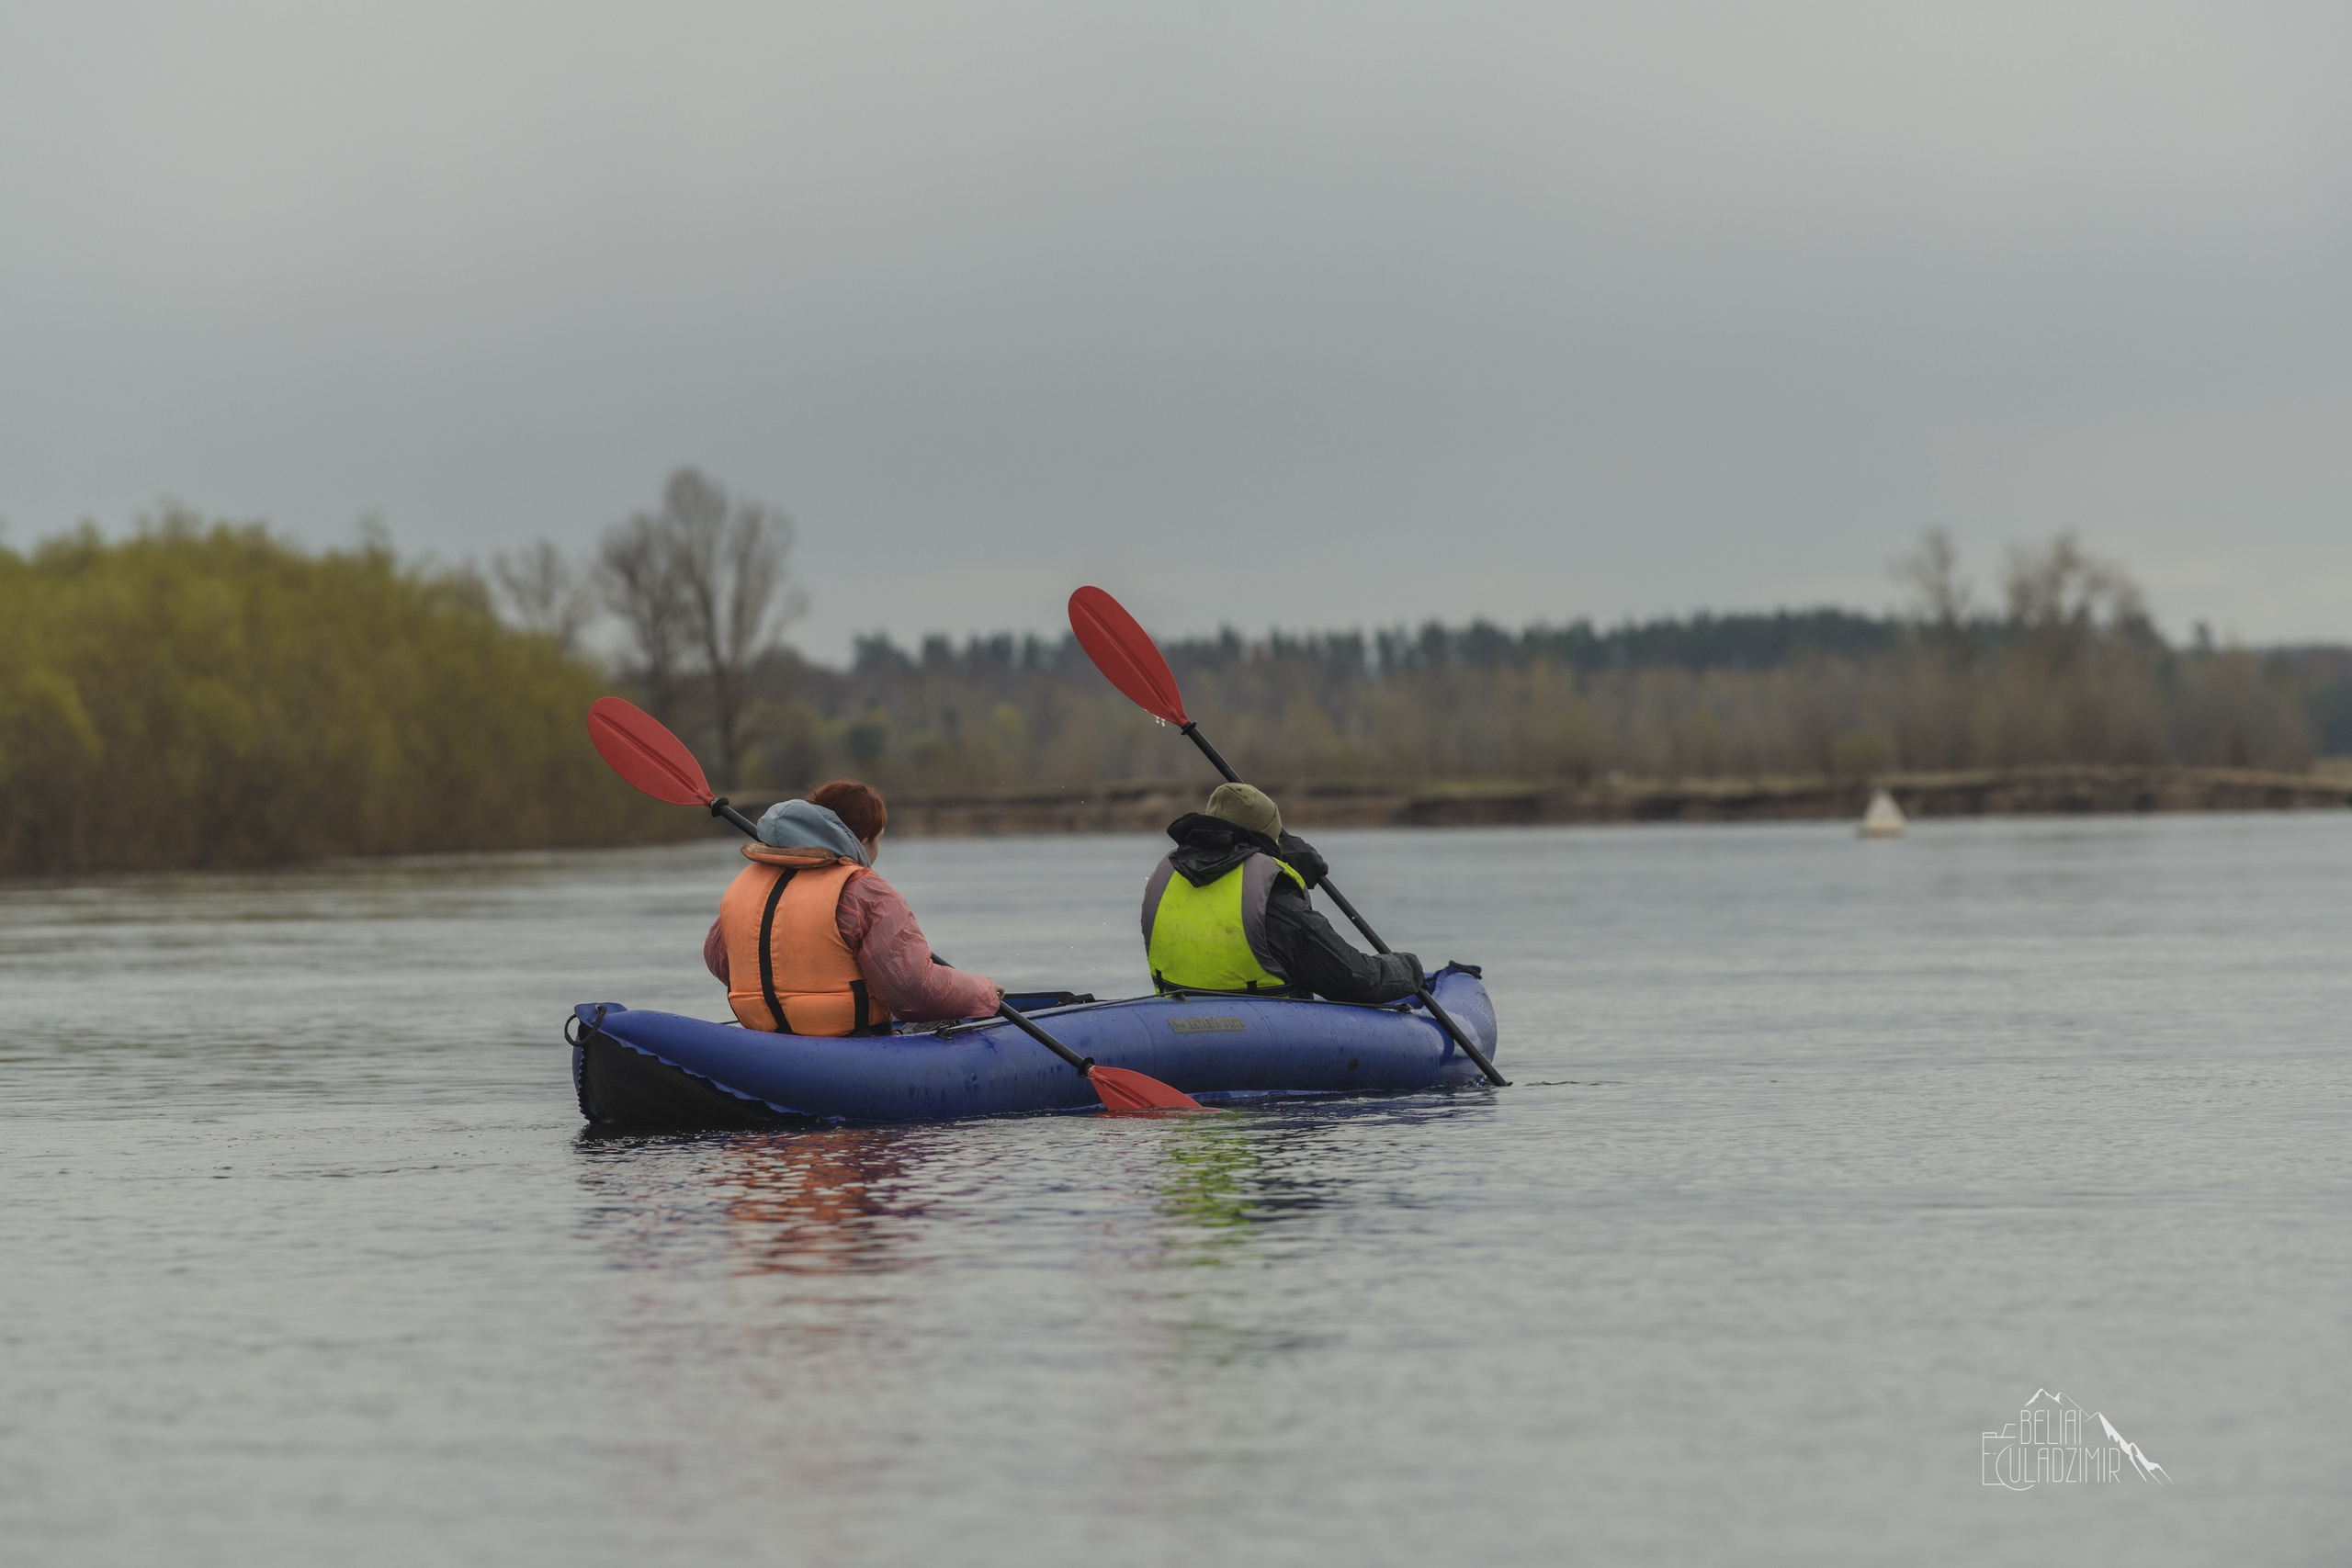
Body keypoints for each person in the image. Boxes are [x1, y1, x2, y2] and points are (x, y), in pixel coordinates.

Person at [703, 780, 1002, 1035]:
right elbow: (912, 990)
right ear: (864, 840)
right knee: (946, 1019)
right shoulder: (865, 890)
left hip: (765, 1041)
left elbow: (719, 960)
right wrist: (982, 990)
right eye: (879, 840)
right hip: (852, 1046)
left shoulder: (745, 885)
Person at [1141, 782, 1421, 1004]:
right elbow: (1357, 980)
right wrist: (1408, 967)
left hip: (1178, 1023)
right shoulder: (1271, 897)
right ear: (1268, 839)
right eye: (1276, 838)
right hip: (1263, 1034)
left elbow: (1225, 870)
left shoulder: (1166, 875)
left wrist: (1278, 863)